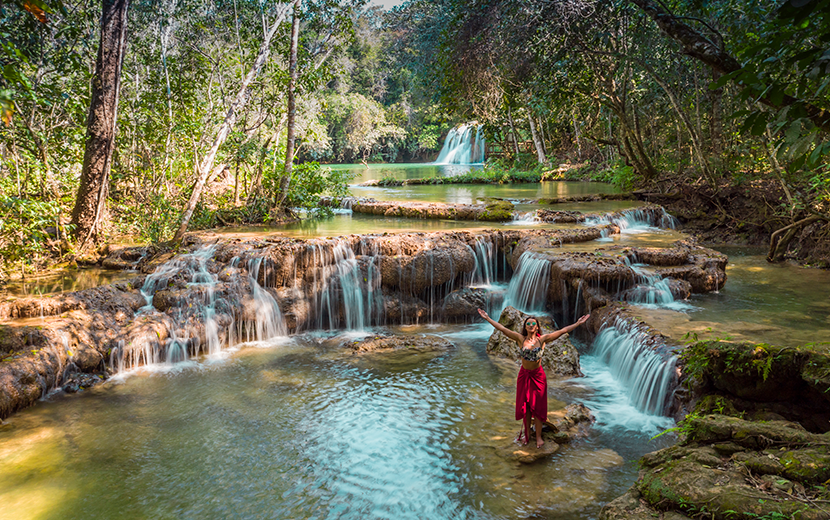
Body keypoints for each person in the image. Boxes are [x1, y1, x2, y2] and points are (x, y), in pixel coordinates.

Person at [477, 308, 590, 448]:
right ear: (525, 326)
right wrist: (487, 318)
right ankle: (527, 435)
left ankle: (538, 437)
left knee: (538, 407)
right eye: (528, 324)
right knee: (527, 407)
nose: (530, 326)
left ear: (537, 326)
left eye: (533, 324)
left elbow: (562, 331)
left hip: (538, 376)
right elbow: (502, 329)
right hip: (524, 375)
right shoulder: (520, 339)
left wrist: (578, 323)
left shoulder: (542, 339)